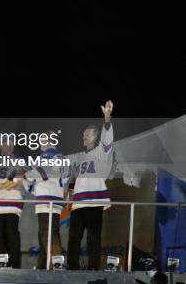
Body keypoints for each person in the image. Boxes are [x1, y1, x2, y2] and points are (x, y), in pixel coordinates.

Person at [67, 100, 114, 270]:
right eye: (83, 135)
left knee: (93, 238)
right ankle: (72, 267)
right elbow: (76, 179)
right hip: (78, 203)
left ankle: (94, 268)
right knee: (73, 237)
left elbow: (107, 139)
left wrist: (107, 118)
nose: (83, 137)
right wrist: (70, 192)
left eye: (87, 135)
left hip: (94, 201)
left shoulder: (101, 153)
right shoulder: (80, 157)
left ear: (95, 137)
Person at [23, 131, 70, 269]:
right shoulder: (59, 155)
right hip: (53, 197)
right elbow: (65, 177)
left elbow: (43, 173)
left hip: (47, 198)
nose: (40, 141)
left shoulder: (48, 155)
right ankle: (43, 265)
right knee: (47, 232)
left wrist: (26, 175)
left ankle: (56, 264)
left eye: (43, 138)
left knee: (47, 232)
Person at [0, 137, 25, 268]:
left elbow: (20, 179)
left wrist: (5, 185)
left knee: (11, 234)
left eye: (11, 143)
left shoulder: (19, 161)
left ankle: (15, 265)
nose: (9, 146)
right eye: (6, 143)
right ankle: (2, 263)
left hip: (12, 202)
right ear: (0, 145)